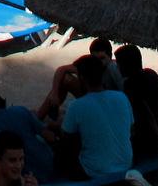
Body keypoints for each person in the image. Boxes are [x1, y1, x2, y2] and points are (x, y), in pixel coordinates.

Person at [54, 52, 134, 181]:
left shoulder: (77, 106)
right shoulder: (121, 97)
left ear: (82, 78)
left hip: (94, 170)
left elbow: (66, 137)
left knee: (61, 148)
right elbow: (130, 127)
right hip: (125, 164)